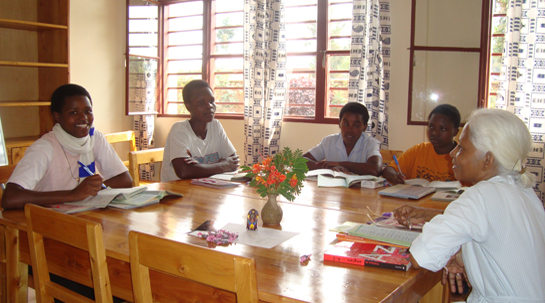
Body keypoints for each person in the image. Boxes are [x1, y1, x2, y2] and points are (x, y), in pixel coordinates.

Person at [394, 109, 545, 302]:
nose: (452, 153)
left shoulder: (479, 196)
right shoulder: (524, 190)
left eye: (462, 148)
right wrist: (464, 255)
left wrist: (454, 252)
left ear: (487, 160)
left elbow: (421, 257)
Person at [1, 84, 132, 210]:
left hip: (82, 215)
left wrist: (91, 188)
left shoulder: (94, 137)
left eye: (88, 111)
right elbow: (10, 198)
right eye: (74, 113)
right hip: (46, 222)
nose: (83, 118)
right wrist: (73, 194)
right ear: (57, 116)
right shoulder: (45, 147)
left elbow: (125, 180)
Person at [161, 80, 239, 181]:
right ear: (188, 106)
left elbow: (233, 162)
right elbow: (184, 171)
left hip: (206, 190)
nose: (209, 106)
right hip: (177, 192)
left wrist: (198, 168)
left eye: (211, 101)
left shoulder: (215, 126)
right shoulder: (179, 130)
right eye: (201, 103)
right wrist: (222, 165)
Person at [382, 104, 460, 185]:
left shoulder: (462, 156)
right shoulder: (419, 150)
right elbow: (388, 170)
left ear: (455, 131)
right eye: (431, 127)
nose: (434, 133)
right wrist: (395, 176)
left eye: (442, 129)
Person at [303, 102, 382, 176]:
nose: (349, 130)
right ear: (339, 123)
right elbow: (301, 160)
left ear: (364, 127)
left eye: (356, 125)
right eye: (345, 124)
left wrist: (341, 164)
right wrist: (329, 168)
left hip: (360, 190)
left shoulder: (370, 144)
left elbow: (376, 169)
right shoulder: (329, 141)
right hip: (332, 189)